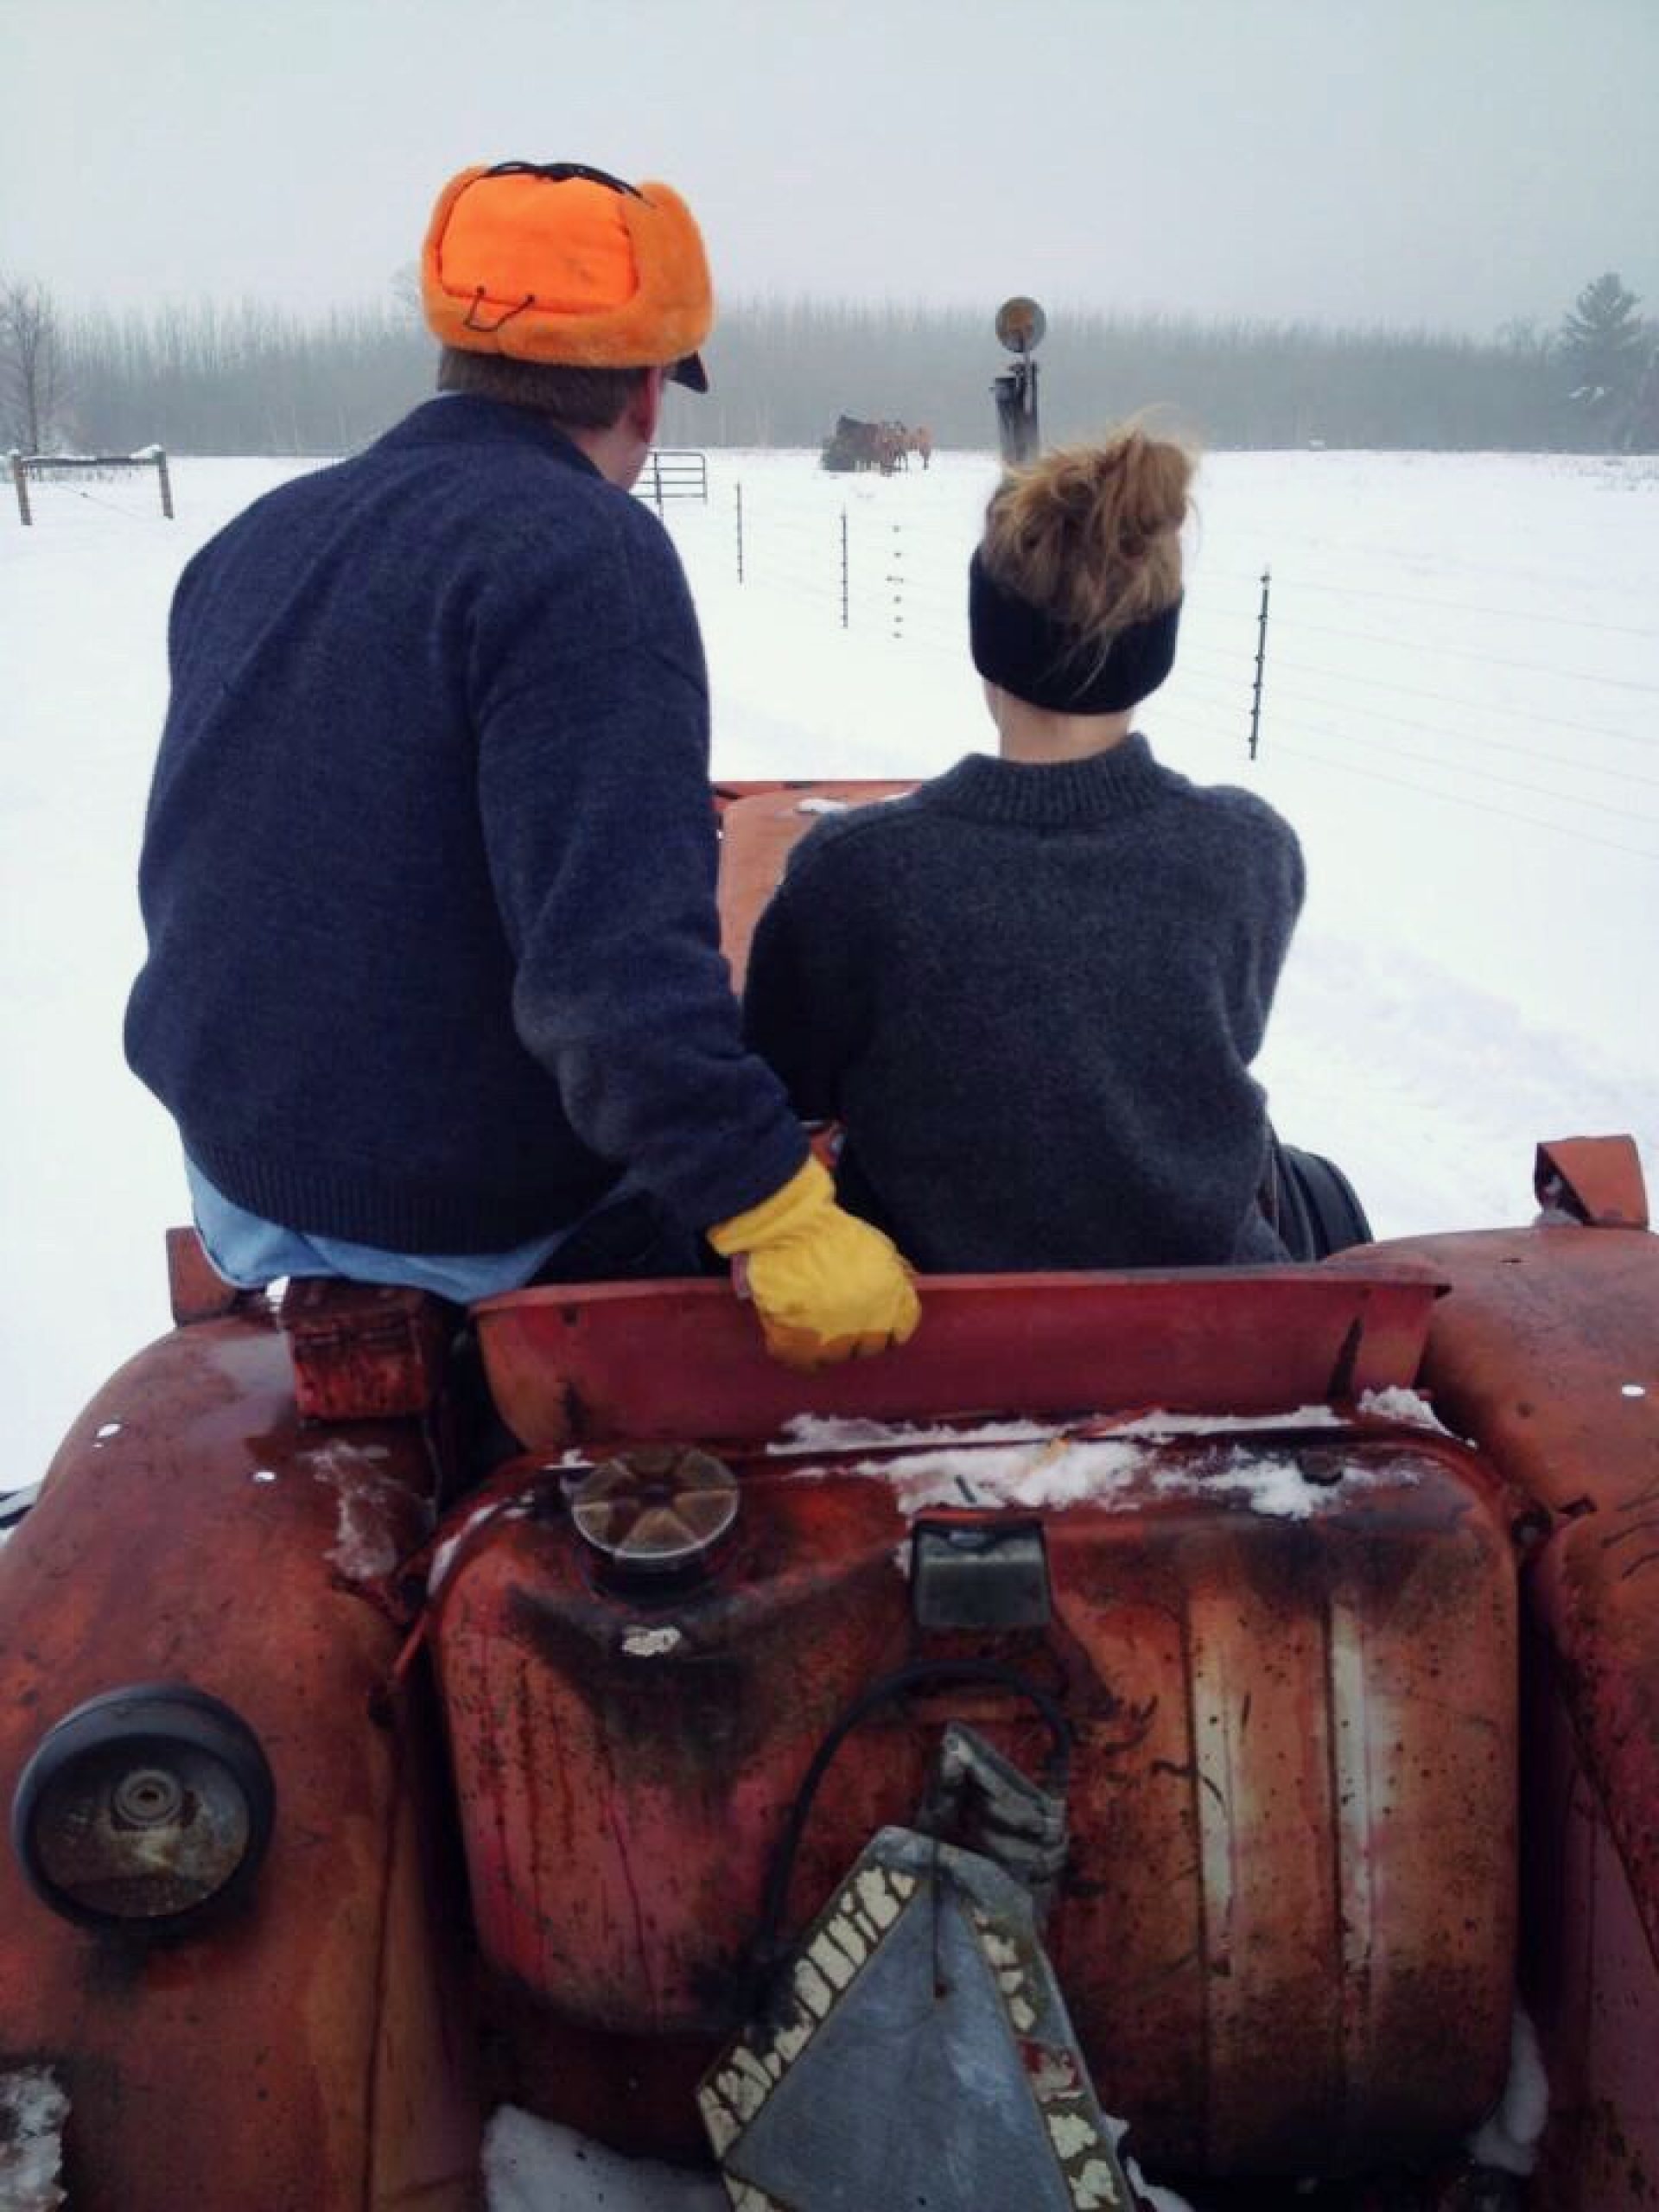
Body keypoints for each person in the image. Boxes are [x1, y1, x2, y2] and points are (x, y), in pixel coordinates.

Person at [124, 159, 918, 1370]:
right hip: (468, 1216)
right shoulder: (588, 555)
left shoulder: (256, 539)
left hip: (244, 1164)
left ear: (456, 355)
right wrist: (774, 1207)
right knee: (881, 1203)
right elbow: (611, 985)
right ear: (650, 394)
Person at [741, 425, 1345, 1274]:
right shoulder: (1251, 850)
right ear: (1156, 650)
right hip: (1212, 1301)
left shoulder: (854, 870)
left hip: (919, 1317)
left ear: (987, 639)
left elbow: (787, 1090)